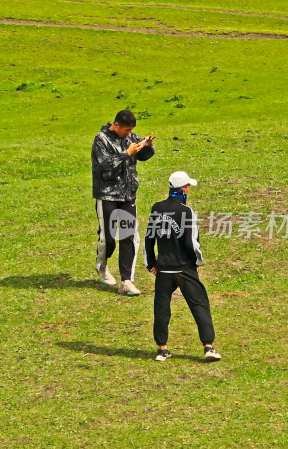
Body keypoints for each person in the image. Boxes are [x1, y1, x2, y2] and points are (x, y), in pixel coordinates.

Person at [144, 171, 221, 362]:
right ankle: (208, 347)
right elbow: (192, 242)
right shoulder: (186, 212)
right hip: (184, 268)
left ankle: (162, 349)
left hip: (164, 269)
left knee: (161, 307)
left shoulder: (157, 208)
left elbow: (149, 238)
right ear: (184, 189)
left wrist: (151, 264)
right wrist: (197, 263)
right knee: (199, 304)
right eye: (188, 187)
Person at [92, 110, 155, 296]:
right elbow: (106, 164)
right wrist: (126, 153)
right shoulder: (101, 139)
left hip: (128, 195)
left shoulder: (130, 137)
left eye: (131, 131)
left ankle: (126, 281)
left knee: (128, 236)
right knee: (108, 238)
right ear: (117, 125)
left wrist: (147, 146)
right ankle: (102, 267)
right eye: (127, 130)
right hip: (107, 196)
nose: (129, 134)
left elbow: (142, 157)